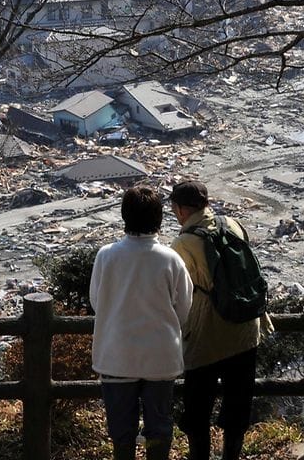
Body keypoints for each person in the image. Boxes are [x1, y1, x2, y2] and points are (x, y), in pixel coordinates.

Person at [169, 180, 271, 460]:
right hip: (246, 329)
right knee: (238, 404)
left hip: (208, 335)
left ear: (179, 209)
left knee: (197, 408)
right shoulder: (233, 225)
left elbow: (178, 289)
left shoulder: (183, 242)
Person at [90, 185, 193, 460]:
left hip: (116, 355)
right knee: (159, 426)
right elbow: (184, 308)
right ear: (159, 218)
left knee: (121, 430)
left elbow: (96, 303)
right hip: (160, 356)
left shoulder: (106, 256)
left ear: (125, 216)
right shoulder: (171, 259)